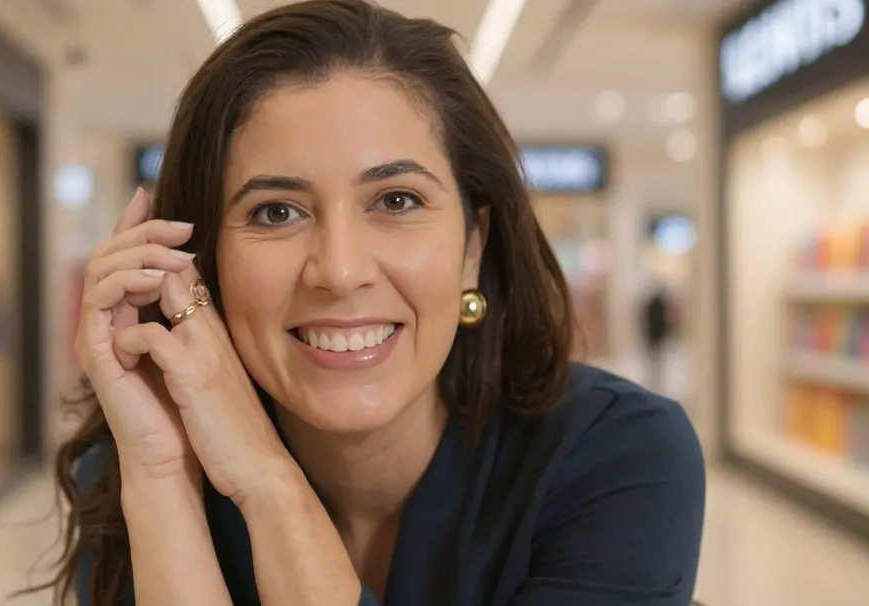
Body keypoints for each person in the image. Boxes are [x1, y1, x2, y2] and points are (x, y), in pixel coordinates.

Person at [42, 1, 706, 604]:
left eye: (396, 201)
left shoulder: (616, 454)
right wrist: (162, 477)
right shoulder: (137, 471)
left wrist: (268, 484)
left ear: (472, 247)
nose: (340, 270)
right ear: (200, 264)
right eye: (276, 211)